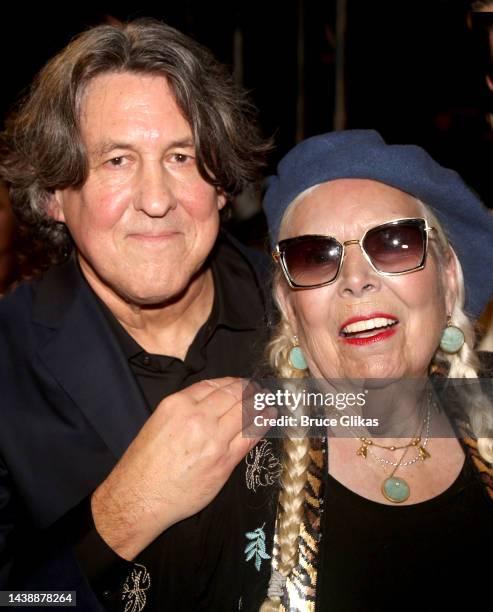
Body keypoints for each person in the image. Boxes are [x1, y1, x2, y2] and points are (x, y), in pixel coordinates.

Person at [0, 18, 275, 611]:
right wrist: (120, 516)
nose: (156, 200)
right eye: (117, 161)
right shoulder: (6, 360)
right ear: (53, 196)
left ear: (222, 185)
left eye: (181, 156)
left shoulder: (302, 309)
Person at [257, 130, 493, 610]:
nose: (356, 280)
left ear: (448, 277)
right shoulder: (230, 465)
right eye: (314, 256)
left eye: (393, 243)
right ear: (288, 304)